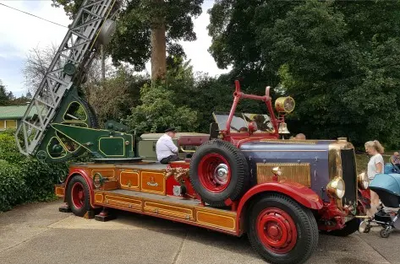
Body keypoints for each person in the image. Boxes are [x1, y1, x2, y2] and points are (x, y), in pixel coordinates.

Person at [365, 140, 385, 218]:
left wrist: (376, 181)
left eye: (367, 148)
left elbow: (379, 170)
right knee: (373, 199)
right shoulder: (373, 157)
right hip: (372, 180)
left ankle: (375, 216)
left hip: (376, 180)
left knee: (374, 200)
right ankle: (375, 216)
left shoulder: (378, 157)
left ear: (372, 148)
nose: (366, 150)